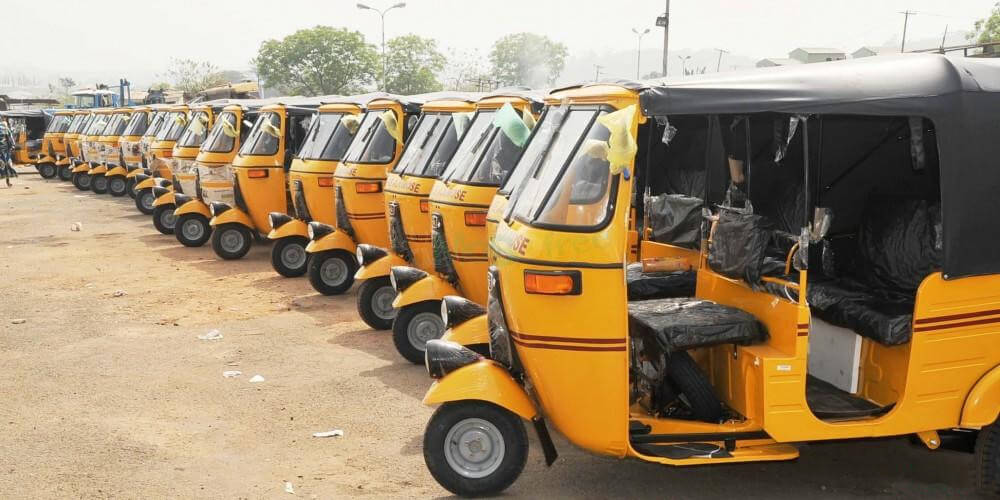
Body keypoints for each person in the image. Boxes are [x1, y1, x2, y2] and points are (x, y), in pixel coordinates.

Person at [0, 118, 16, 187]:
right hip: (5, 150)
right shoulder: (5, 127)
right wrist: (12, 145)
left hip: (4, 150)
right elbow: (10, 138)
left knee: (6, 165)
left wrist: (12, 146)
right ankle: (8, 182)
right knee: (6, 165)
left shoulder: (5, 127)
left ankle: (8, 182)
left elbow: (10, 138)